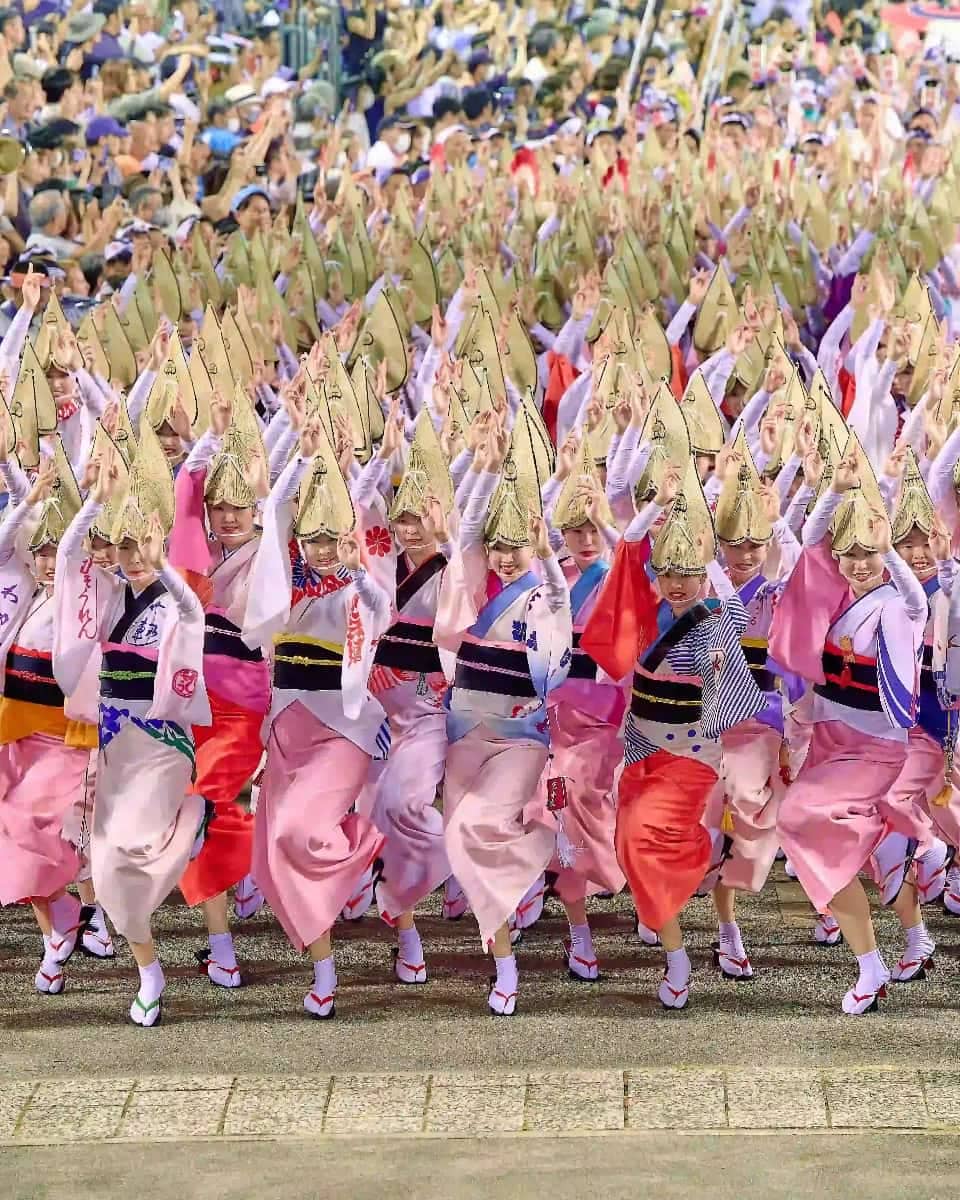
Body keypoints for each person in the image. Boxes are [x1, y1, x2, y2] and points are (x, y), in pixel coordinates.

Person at [54, 426, 211, 1027]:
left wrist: (163, 563)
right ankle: (149, 969)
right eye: (122, 546)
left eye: (140, 544)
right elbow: (68, 557)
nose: (131, 556)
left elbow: (193, 612)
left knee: (126, 847)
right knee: (107, 862)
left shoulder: (174, 597)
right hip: (115, 741)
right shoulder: (109, 596)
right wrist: (94, 500)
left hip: (163, 741)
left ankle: (190, 818)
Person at [242, 415, 391, 1019]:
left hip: (341, 731)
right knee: (274, 850)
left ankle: (362, 847)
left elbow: (380, 608)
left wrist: (354, 570)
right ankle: (324, 968)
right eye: (313, 539)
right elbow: (273, 511)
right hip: (288, 727)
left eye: (332, 538)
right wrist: (301, 460)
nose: (322, 548)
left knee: (297, 832)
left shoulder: (359, 585)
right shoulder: (285, 583)